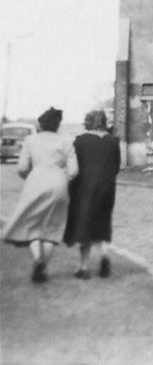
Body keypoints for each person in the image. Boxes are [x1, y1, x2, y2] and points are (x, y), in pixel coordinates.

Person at [2, 107, 78, 283]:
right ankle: (44, 266)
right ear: (58, 124)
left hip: (36, 183)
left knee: (32, 224)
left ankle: (37, 259)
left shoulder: (30, 140)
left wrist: (30, 177)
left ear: (41, 124)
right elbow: (74, 171)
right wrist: (63, 177)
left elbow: (21, 168)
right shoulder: (67, 142)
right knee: (54, 226)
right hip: (59, 184)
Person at [63, 109, 121, 279]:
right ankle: (104, 256)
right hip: (107, 187)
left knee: (85, 224)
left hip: (85, 188)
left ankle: (84, 267)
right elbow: (116, 167)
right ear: (104, 122)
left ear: (87, 122)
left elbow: (74, 167)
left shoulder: (80, 141)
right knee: (103, 221)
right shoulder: (113, 141)